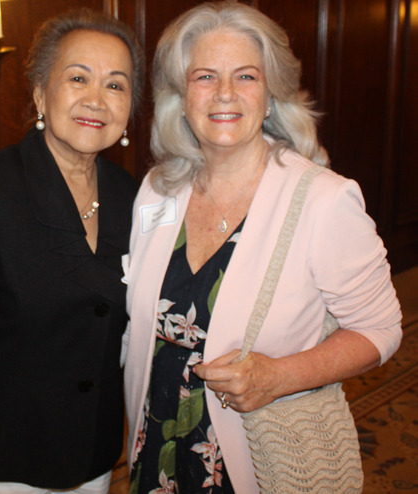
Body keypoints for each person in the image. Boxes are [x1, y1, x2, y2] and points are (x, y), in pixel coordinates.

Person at [122, 2, 402, 493]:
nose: (225, 93)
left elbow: (380, 329)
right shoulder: (157, 190)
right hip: (157, 448)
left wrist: (280, 376)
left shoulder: (323, 199)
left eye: (246, 76)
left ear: (271, 94)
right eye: (205, 76)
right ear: (181, 96)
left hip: (255, 461)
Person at [0, 7, 144, 494]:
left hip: (96, 459)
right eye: (78, 77)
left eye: (115, 85)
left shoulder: (136, 198)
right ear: (41, 93)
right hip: (3, 466)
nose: (96, 100)